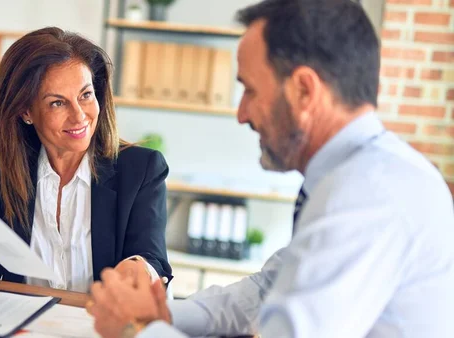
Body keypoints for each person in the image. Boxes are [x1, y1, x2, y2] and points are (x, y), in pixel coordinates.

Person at [87, 0, 454, 337]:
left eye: (250, 90)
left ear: (304, 91)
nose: (242, 114)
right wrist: (165, 315)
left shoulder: (368, 193)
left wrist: (137, 330)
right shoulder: (353, 174)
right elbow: (269, 288)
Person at [0, 27, 173, 292]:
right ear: (26, 112)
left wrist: (137, 268)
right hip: (23, 325)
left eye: (86, 95)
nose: (79, 115)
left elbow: (152, 259)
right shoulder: (1, 171)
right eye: (58, 102)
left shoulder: (141, 169)